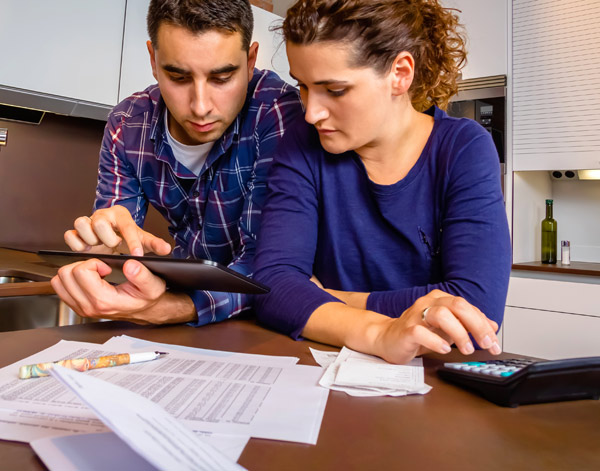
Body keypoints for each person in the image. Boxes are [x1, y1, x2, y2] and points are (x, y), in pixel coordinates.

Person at [253, 0, 512, 364]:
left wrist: (329, 297)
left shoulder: (463, 148)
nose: (312, 113)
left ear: (400, 74)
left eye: (336, 90)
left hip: (434, 378)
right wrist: (379, 332)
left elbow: (475, 308)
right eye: (305, 87)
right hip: (325, 368)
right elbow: (273, 285)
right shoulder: (302, 143)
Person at [50, 0, 301, 326]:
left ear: (250, 60)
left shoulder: (279, 114)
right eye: (178, 77)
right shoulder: (127, 125)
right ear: (153, 60)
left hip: (260, 320)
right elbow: (118, 240)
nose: (200, 106)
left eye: (222, 77)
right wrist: (105, 251)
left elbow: (269, 265)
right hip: (180, 312)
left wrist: (171, 308)